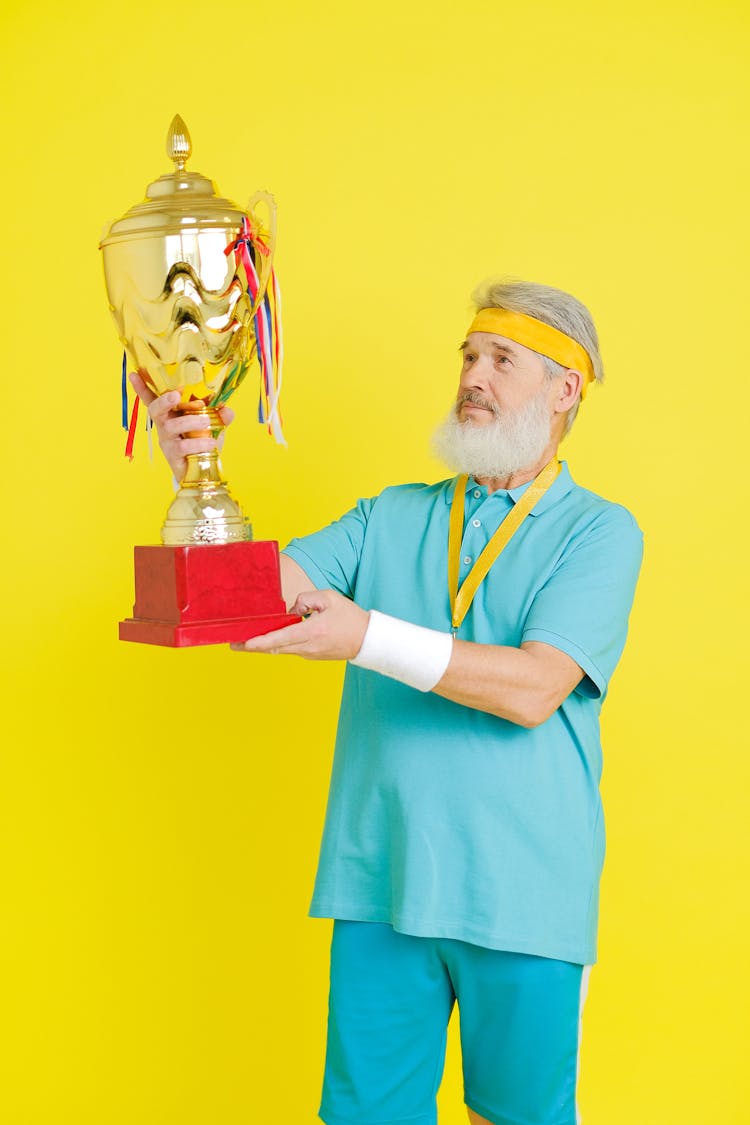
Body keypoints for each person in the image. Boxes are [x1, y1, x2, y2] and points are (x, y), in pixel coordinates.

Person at [131, 278, 643, 1125]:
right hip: (380, 882)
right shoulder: (390, 516)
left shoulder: (599, 530)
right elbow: (251, 605)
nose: (473, 375)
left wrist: (366, 635)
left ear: (565, 391)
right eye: (468, 355)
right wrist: (196, 479)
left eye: (501, 359)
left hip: (523, 894)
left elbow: (536, 688)